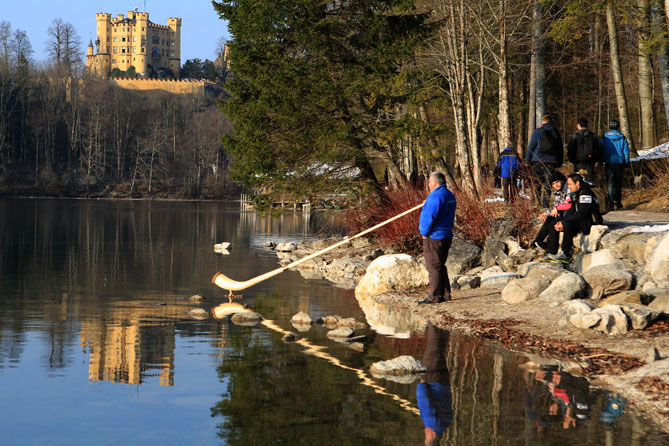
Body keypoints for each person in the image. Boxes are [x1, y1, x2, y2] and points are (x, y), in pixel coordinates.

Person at [418, 172, 457, 304]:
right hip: (447, 234)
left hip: (435, 236)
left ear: (434, 183)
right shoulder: (449, 195)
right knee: (440, 265)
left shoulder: (434, 197)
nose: (428, 185)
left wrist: (424, 232)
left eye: (429, 182)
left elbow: (429, 217)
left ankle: (434, 297)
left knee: (433, 267)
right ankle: (445, 294)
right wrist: (427, 203)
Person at [546, 173, 601, 260]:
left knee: (568, 224)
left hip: (590, 223)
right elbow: (572, 209)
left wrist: (564, 222)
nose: (569, 187)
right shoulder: (576, 193)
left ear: (577, 183)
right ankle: (552, 252)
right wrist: (562, 222)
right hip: (583, 220)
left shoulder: (585, 193)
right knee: (553, 224)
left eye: (570, 184)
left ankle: (565, 254)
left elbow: (583, 213)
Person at [417, 324, 452, 445]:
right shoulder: (431, 423)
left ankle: (445, 325)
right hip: (432, 380)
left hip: (444, 381)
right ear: (431, 436)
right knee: (433, 348)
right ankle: (436, 322)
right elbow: (424, 401)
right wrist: (422, 383)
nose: (424, 432)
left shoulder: (447, 423)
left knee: (440, 350)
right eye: (425, 436)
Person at [526, 114, 563, 207]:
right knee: (548, 182)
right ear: (551, 122)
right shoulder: (556, 132)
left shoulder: (537, 132)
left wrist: (528, 160)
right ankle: (545, 204)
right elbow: (560, 148)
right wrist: (559, 161)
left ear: (542, 121)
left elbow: (531, 147)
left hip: (537, 160)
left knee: (537, 182)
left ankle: (536, 202)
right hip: (551, 161)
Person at [531, 170, 570, 250]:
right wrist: (546, 213)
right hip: (564, 213)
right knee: (549, 219)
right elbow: (555, 207)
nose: (556, 185)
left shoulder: (568, 188)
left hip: (570, 214)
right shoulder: (558, 192)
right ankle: (537, 242)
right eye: (553, 184)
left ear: (562, 181)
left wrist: (557, 209)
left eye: (557, 182)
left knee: (553, 223)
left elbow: (568, 203)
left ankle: (552, 249)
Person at [601, 119, 630, 210]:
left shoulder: (605, 137)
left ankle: (610, 203)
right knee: (618, 184)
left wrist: (601, 160)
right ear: (618, 127)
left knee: (610, 183)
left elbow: (601, 149)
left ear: (610, 127)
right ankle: (618, 202)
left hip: (609, 162)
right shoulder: (622, 137)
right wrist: (626, 161)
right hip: (619, 163)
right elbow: (626, 150)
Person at [567, 117, 600, 183]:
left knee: (577, 181)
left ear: (579, 125)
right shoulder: (592, 135)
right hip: (590, 163)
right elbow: (598, 149)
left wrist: (572, 160)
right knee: (589, 182)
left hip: (578, 162)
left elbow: (571, 149)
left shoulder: (575, 136)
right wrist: (596, 160)